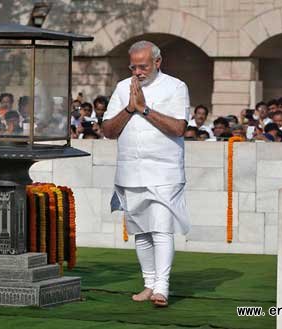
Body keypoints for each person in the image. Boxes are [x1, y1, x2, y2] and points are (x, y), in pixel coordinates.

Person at [102, 40, 189, 307]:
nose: (138, 72)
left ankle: (162, 287)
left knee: (162, 229)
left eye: (143, 66)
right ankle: (149, 284)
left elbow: (178, 128)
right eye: (134, 67)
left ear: (157, 63)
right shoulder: (121, 88)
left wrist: (144, 109)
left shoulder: (176, 87)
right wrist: (130, 107)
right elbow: (108, 130)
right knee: (141, 232)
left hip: (164, 170)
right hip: (130, 170)